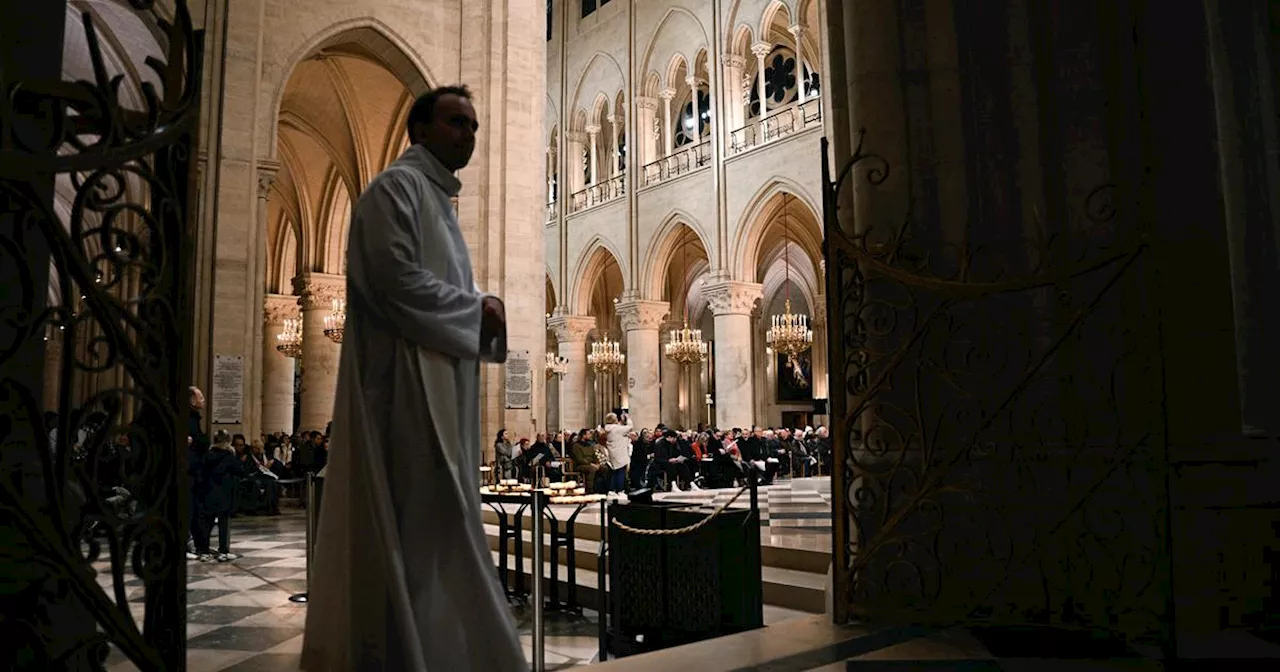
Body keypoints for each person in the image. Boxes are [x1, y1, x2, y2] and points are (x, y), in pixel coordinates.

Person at [302, 84, 523, 671]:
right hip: (403, 398)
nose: (468, 135)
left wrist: (476, 307)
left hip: (437, 393)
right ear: (419, 130)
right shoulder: (395, 190)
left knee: (436, 536)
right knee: (416, 531)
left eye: (473, 126)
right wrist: (476, 311)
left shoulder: (436, 201)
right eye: (456, 123)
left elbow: (433, 289)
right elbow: (396, 281)